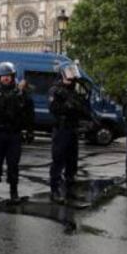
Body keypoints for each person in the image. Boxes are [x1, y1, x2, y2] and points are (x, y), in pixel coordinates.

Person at [0, 62, 34, 203]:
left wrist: (30, 131)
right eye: (2, 76)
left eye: (8, 76)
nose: (5, 78)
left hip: (14, 133)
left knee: (13, 164)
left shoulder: (20, 92)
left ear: (12, 76)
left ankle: (14, 191)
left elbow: (29, 112)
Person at [49, 62, 88, 202]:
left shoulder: (74, 91)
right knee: (58, 161)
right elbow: (54, 109)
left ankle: (70, 190)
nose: (72, 77)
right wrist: (68, 106)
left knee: (72, 162)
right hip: (61, 129)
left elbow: (82, 109)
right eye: (69, 73)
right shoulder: (56, 90)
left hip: (72, 129)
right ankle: (55, 191)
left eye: (73, 73)